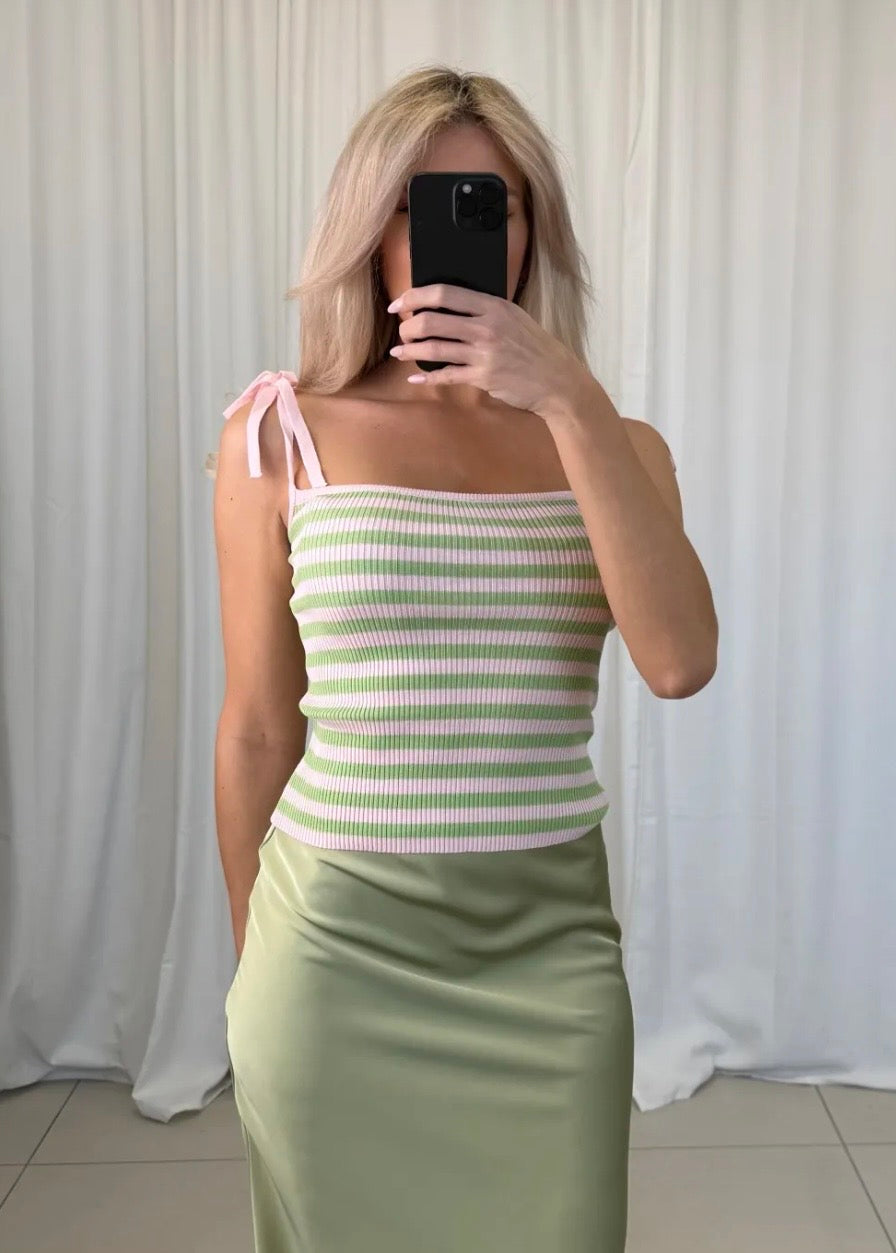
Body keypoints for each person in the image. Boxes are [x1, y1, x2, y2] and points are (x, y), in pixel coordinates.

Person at [210, 64, 688, 1253]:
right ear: (367, 232)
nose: (445, 235)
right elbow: (259, 726)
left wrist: (567, 400)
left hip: (547, 952)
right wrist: (252, 966)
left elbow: (679, 661)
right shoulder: (283, 432)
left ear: (530, 234)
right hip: (331, 952)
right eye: (413, 205)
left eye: (488, 204)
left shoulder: (617, 446)